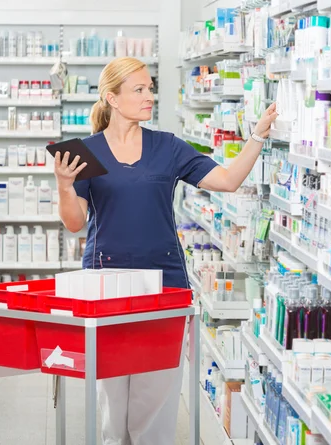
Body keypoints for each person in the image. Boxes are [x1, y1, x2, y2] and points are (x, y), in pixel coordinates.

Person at [54, 57, 278, 445]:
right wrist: (63, 185)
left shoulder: (167, 147)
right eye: (138, 89)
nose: (149, 96)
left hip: (163, 288)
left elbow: (226, 181)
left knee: (154, 406)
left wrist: (257, 136)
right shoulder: (83, 151)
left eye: (150, 88)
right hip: (105, 287)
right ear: (112, 97)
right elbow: (75, 223)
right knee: (113, 406)